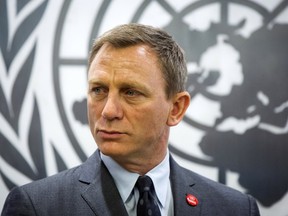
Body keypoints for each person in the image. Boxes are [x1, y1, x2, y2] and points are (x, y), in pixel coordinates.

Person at [1, 23, 260, 216]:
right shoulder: (35, 206)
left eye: (131, 92)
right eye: (98, 90)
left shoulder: (235, 209)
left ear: (176, 108)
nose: (108, 111)